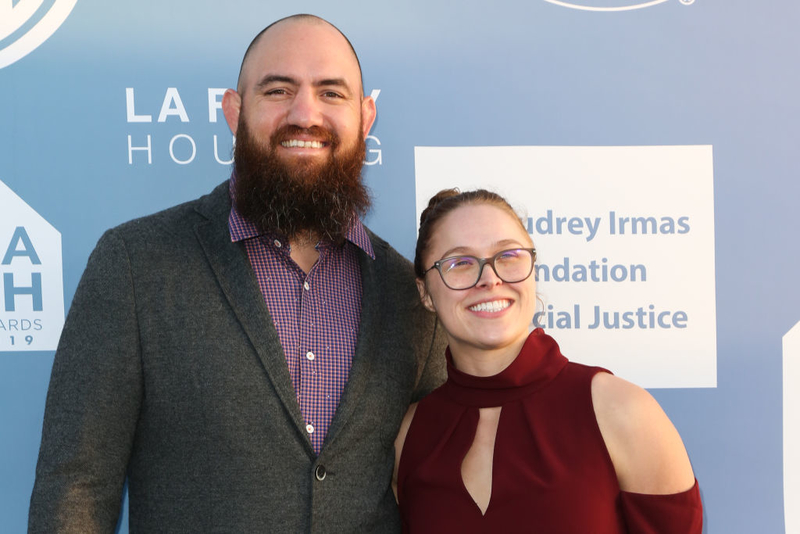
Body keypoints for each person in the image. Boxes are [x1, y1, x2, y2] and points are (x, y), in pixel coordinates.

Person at [29, 14, 445, 533]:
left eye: (331, 93)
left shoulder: (413, 295)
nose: (305, 113)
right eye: (278, 89)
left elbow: (443, 483)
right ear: (234, 110)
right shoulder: (134, 263)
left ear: (365, 118)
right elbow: (77, 484)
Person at [393, 189, 703, 533]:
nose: (490, 279)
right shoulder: (408, 436)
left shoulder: (621, 410)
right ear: (425, 294)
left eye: (508, 255)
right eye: (461, 263)